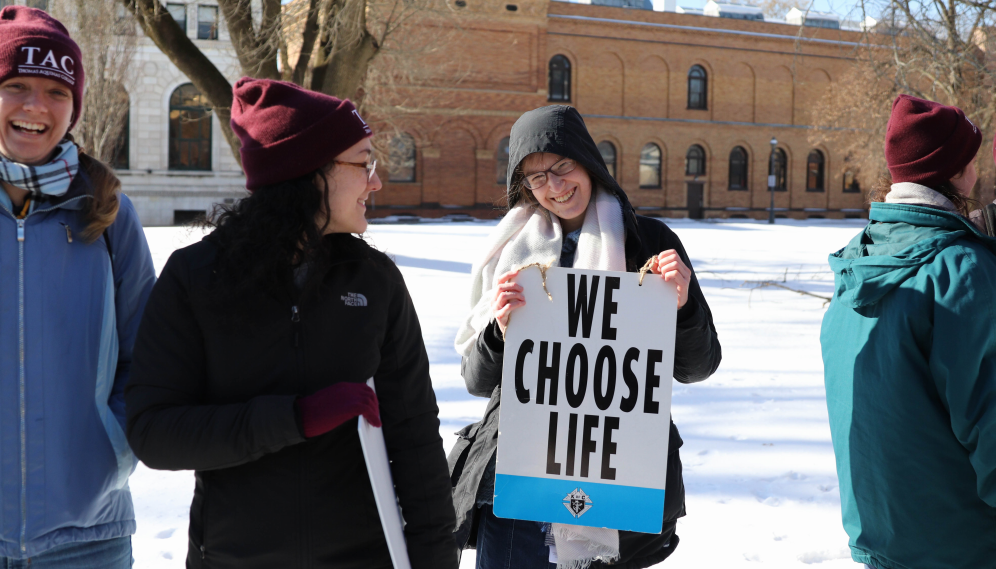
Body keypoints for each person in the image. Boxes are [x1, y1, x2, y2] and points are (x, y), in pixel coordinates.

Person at [124, 78, 458, 569]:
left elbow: (414, 434)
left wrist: (435, 558)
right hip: (232, 558)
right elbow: (155, 433)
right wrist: (294, 418)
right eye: (363, 163)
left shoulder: (375, 280)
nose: (376, 180)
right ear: (310, 171)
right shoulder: (196, 278)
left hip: (364, 557)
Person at [449, 105, 722, 569]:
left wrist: (683, 305)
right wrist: (498, 332)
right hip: (518, 476)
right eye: (536, 178)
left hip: (616, 471)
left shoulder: (647, 242)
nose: (554, 186)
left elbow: (698, 365)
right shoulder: (508, 254)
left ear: (587, 161)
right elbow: (476, 380)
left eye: (562, 167)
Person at [0, 6, 156, 567]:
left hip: (88, 537)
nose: (35, 106)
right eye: (14, 85)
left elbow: (149, 355)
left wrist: (110, 449)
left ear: (75, 108)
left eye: (55, 90)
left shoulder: (109, 216)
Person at [822, 94, 996, 569]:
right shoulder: (961, 271)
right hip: (962, 547)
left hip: (884, 539)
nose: (978, 174)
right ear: (956, 171)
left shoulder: (857, 265)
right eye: (973, 161)